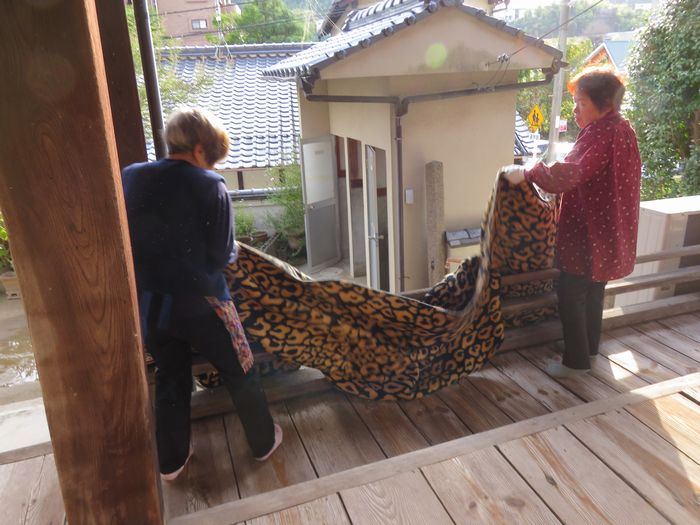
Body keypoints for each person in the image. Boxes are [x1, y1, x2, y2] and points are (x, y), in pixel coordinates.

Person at [122, 107, 282, 480]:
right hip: (203, 305)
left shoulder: (131, 175)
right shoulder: (210, 185)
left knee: (170, 376)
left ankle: (172, 460)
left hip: (151, 305)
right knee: (240, 368)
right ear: (198, 149)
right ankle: (263, 442)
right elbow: (221, 256)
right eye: (210, 157)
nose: (210, 165)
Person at [501, 66, 641, 378]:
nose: (576, 110)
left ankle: (575, 363)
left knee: (571, 293)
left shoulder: (601, 133)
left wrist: (527, 172)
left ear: (604, 104)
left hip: (589, 233)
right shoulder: (624, 129)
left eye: (581, 103)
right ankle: (589, 349)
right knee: (594, 291)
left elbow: (567, 174)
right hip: (611, 231)